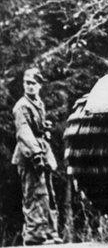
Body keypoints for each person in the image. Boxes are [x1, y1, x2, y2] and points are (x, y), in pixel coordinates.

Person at [12, 68, 62, 245]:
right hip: (29, 154)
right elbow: (23, 131)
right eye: (27, 83)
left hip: (41, 150)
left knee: (47, 192)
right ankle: (35, 236)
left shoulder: (37, 102)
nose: (30, 86)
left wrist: (44, 129)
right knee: (34, 193)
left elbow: (35, 126)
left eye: (33, 83)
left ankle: (50, 232)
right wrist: (36, 153)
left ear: (40, 85)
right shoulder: (22, 106)